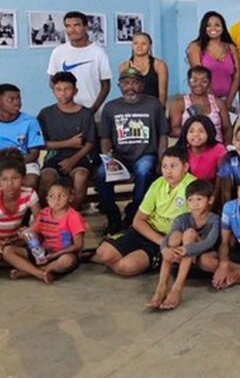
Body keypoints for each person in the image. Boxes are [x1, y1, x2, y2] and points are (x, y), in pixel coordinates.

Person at [92, 147, 196, 277]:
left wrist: (167, 244)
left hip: (169, 239)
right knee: (104, 253)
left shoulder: (192, 187)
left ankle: (144, 258)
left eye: (173, 166)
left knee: (125, 267)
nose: (168, 171)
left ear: (185, 166)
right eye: (164, 166)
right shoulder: (157, 184)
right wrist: (161, 241)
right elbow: (138, 221)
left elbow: (194, 225)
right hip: (147, 232)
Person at [97, 68, 169, 234]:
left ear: (142, 85)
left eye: (135, 82)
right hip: (119, 157)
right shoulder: (110, 107)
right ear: (119, 86)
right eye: (126, 83)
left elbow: (163, 135)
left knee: (144, 171)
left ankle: (133, 213)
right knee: (101, 174)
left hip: (145, 155)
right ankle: (113, 217)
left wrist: (161, 160)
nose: (130, 87)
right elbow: (105, 138)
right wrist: (109, 160)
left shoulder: (153, 104)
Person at [147, 180, 220, 310]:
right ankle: (161, 287)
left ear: (210, 200)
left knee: (190, 234)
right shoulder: (182, 218)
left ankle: (177, 288)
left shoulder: (214, 219)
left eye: (199, 199)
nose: (195, 204)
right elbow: (167, 238)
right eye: (190, 200)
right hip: (184, 256)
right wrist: (164, 249)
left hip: (205, 254)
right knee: (174, 237)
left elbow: (210, 242)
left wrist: (186, 249)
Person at [2, 177, 84, 284]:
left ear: (70, 197)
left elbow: (78, 245)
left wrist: (54, 255)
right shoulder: (44, 213)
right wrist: (22, 235)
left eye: (61, 196)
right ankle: (39, 273)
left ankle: (32, 271)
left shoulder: (73, 216)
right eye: (51, 196)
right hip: (43, 253)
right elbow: (33, 232)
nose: (56, 199)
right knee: (8, 251)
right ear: (47, 199)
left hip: (64, 253)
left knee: (66, 261)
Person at [37, 72, 95, 210]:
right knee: (46, 177)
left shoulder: (85, 114)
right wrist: (68, 143)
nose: (62, 93)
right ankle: (47, 217)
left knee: (81, 176)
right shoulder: (46, 114)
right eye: (58, 89)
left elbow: (89, 143)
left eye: (67, 89)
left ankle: (69, 216)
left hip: (80, 158)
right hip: (54, 157)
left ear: (75, 91)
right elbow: (40, 143)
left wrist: (73, 160)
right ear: (53, 90)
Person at [46, 11, 111, 115]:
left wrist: (91, 111)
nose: (72, 30)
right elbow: (52, 82)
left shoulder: (98, 52)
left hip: (93, 115)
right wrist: (65, 103)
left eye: (76, 25)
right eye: (68, 26)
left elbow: (106, 86)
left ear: (85, 27)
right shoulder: (58, 52)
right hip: (65, 115)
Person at [186, 11, 240, 106]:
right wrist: (215, 102)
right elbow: (198, 77)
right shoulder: (196, 47)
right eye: (208, 25)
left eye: (217, 25)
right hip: (204, 100)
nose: (213, 28)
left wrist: (229, 100)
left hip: (229, 100)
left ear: (223, 28)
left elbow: (237, 76)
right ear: (204, 28)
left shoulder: (231, 48)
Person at [169, 66, 232, 145]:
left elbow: (227, 128)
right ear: (188, 82)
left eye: (204, 81)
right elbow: (174, 129)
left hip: (216, 148)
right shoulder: (179, 104)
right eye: (194, 80)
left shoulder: (218, 103)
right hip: (190, 148)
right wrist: (197, 136)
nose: (199, 84)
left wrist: (227, 147)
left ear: (209, 82)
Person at [0, 84, 44, 189]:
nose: (17, 103)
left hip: (25, 162)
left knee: (30, 182)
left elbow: (34, 153)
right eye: (11, 99)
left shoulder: (30, 121)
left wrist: (14, 166)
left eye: (18, 98)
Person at [0, 149, 40, 259]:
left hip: (14, 240)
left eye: (15, 178)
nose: (10, 184)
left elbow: (39, 221)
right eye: (4, 179)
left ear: (23, 178)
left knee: (34, 239)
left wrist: (29, 232)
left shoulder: (29, 194)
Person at [175, 115, 227, 191]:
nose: (196, 134)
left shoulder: (218, 149)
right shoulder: (180, 150)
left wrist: (214, 197)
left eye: (201, 131)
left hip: (210, 191)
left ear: (208, 132)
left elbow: (222, 178)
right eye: (191, 131)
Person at [117, 32, 168, 107]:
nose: (139, 46)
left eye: (143, 44)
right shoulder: (124, 66)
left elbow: (162, 94)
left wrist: (158, 112)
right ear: (132, 46)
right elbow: (125, 92)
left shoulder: (159, 65)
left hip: (153, 107)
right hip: (132, 108)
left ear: (150, 46)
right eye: (136, 43)